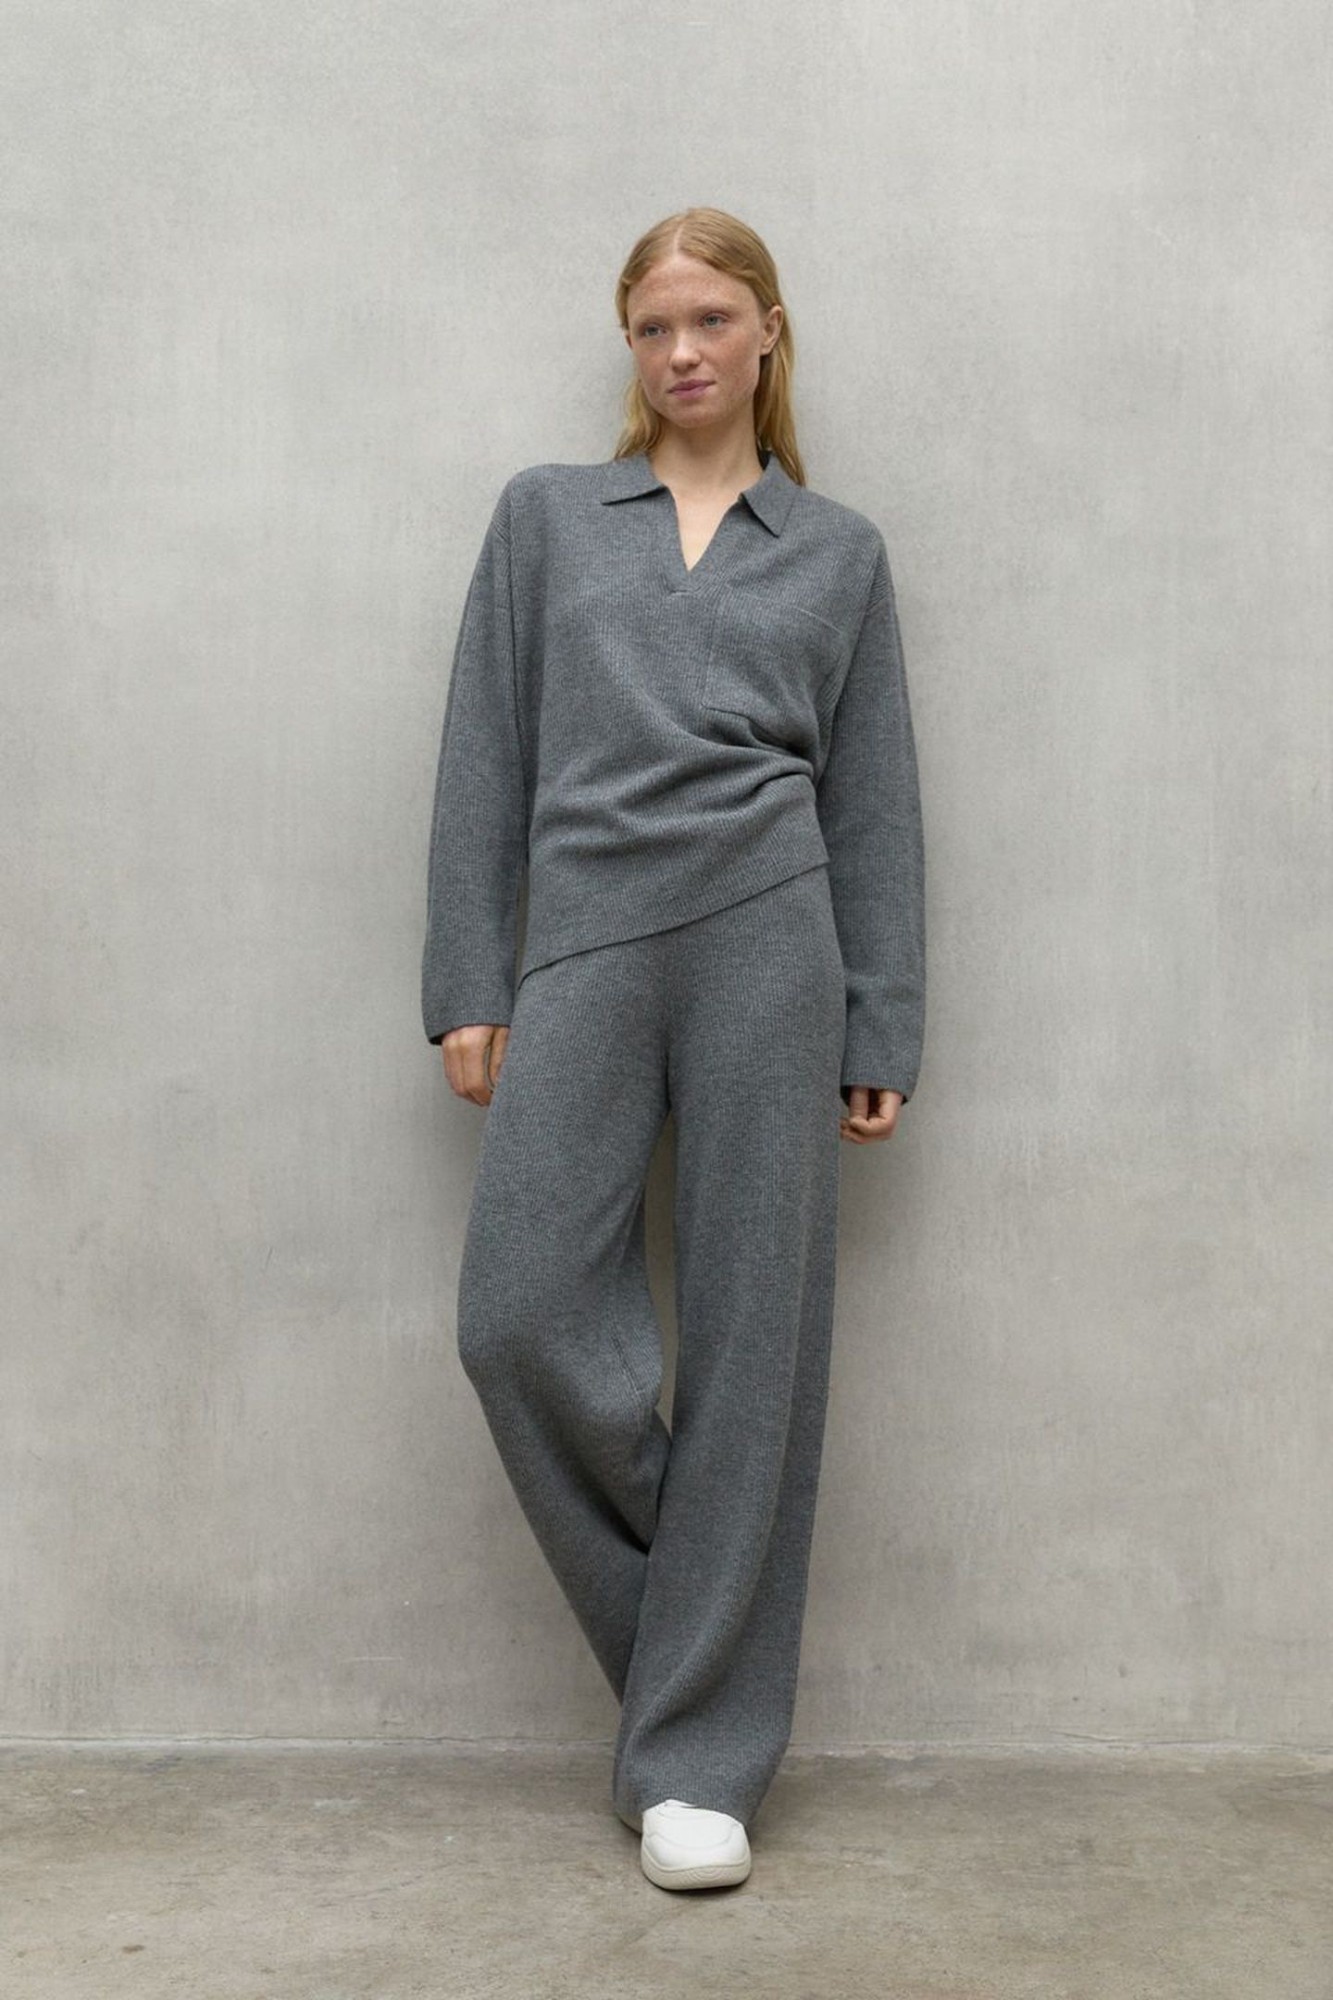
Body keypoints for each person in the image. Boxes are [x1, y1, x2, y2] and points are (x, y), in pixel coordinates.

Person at [421, 206, 926, 1891]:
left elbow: (871, 799)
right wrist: (469, 978)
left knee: (755, 1347)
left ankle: (698, 1766)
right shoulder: (548, 518)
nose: (682, 351)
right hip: (583, 937)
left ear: (768, 329)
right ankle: (702, 1663)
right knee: (515, 1320)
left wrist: (879, 1012)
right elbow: (485, 750)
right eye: (652, 326)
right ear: (628, 346)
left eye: (711, 318)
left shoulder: (836, 549)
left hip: (773, 945)